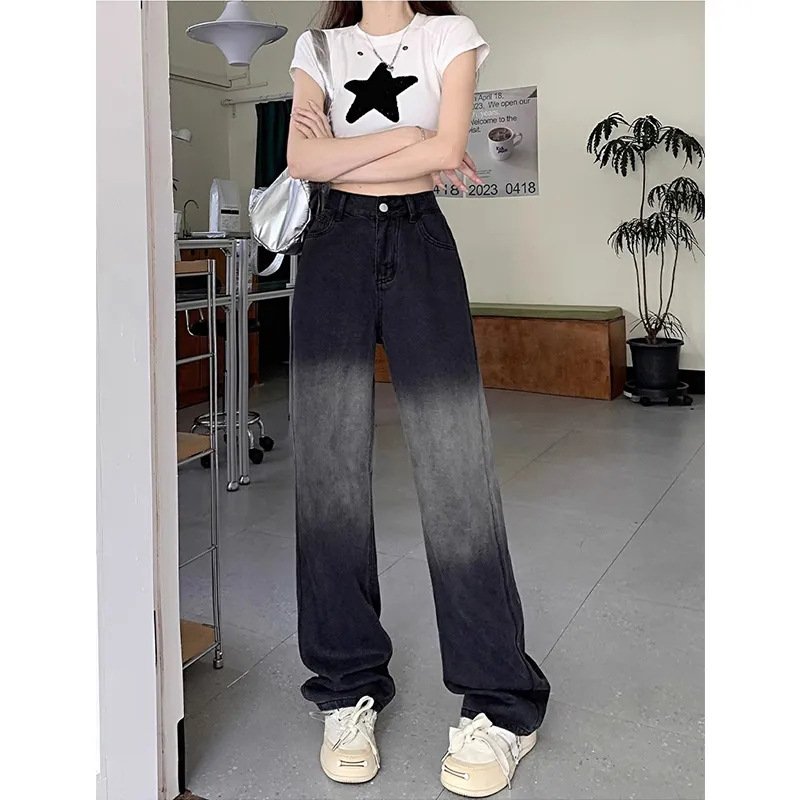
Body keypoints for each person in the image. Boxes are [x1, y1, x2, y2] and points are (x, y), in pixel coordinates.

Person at [286, 2, 550, 796]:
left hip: (420, 241)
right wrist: (408, 138)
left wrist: (349, 152)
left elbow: (441, 155)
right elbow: (301, 161)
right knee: (328, 476)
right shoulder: (318, 45)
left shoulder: (449, 36)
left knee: (456, 471)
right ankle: (346, 687)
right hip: (330, 246)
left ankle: (502, 703)